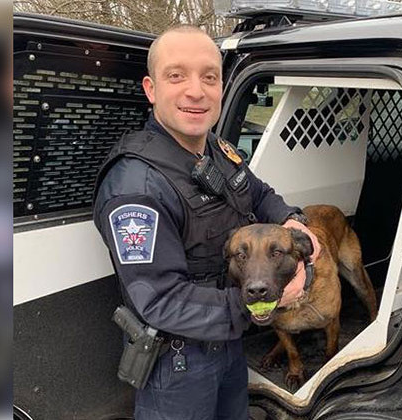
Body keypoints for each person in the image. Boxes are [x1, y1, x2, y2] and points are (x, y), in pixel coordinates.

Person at [92, 25, 320, 420]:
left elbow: (259, 193)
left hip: (227, 342)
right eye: (176, 75)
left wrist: (294, 222)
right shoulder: (137, 186)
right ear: (151, 89)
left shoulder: (215, 149)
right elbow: (159, 300)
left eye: (209, 77)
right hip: (178, 365)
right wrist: (264, 301)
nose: (196, 91)